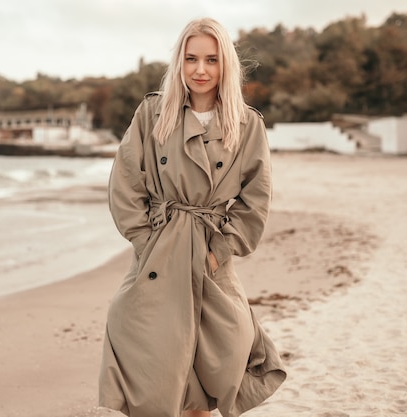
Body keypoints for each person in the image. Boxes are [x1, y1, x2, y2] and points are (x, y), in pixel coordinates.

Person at [98, 17, 286, 417]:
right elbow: (126, 182)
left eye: (211, 60)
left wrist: (219, 252)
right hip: (159, 254)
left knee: (218, 358)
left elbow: (256, 200)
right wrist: (148, 242)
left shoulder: (246, 124)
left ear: (226, 66)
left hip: (210, 256)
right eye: (191, 59)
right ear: (179, 63)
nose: (200, 70)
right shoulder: (153, 113)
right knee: (149, 354)